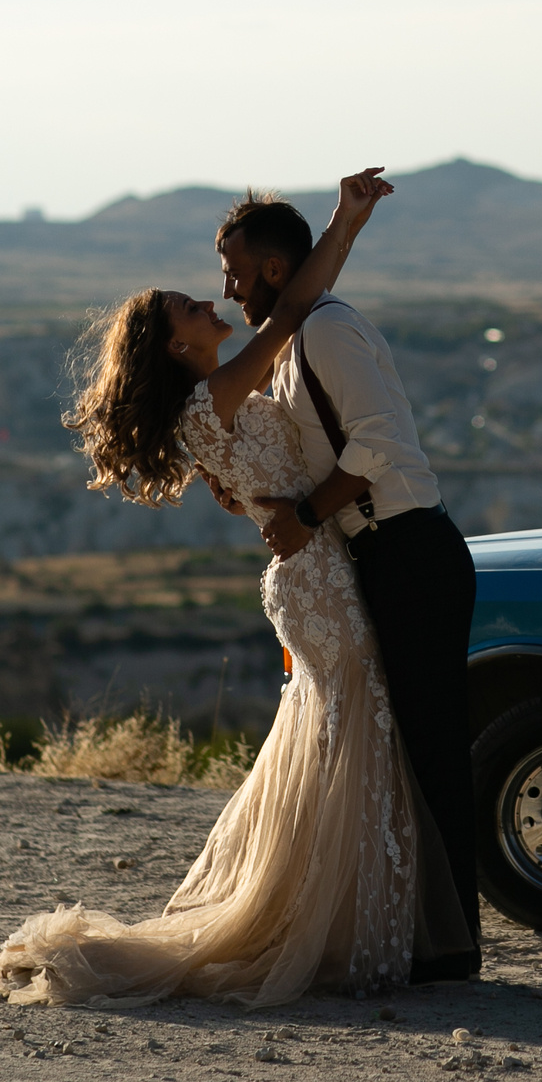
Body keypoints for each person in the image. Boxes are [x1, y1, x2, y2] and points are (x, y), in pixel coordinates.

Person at [0, 166, 471, 1009]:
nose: (214, 299)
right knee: (357, 736)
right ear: (177, 347)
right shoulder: (216, 395)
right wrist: (344, 226)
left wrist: (343, 229)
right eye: (192, 306)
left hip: (316, 571)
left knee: (343, 739)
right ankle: (369, 925)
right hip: (318, 574)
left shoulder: (216, 400)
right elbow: (290, 310)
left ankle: (365, 918)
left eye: (219, 283)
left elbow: (292, 321)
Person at [214, 192, 483, 985]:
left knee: (431, 746)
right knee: (405, 746)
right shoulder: (295, 338)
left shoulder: (326, 331)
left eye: (234, 272)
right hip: (381, 554)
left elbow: (378, 442)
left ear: (274, 269)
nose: (228, 289)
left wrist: (303, 517)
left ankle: (454, 947)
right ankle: (426, 934)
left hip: (411, 550)